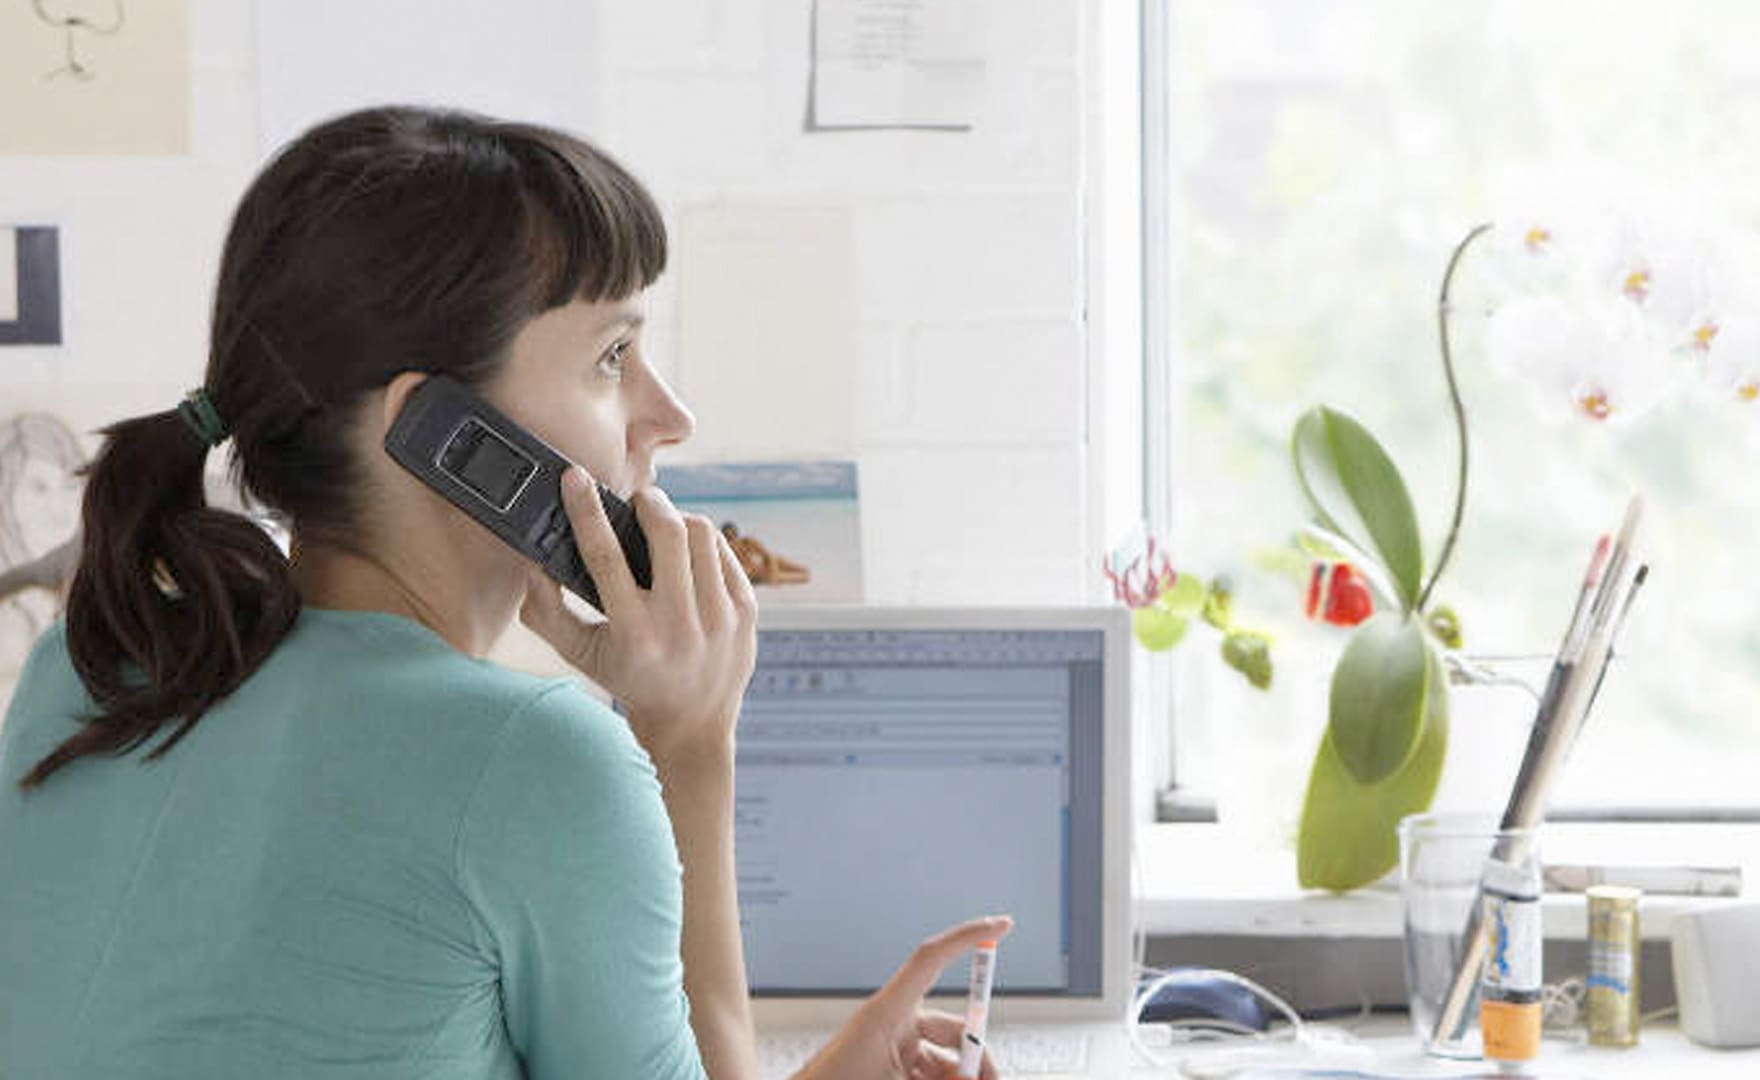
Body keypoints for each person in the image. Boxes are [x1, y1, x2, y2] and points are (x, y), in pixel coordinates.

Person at [0, 105, 1007, 1080]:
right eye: (613, 357)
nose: (671, 417)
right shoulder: (535, 760)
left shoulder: (94, 664)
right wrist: (688, 740)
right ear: (442, 437)